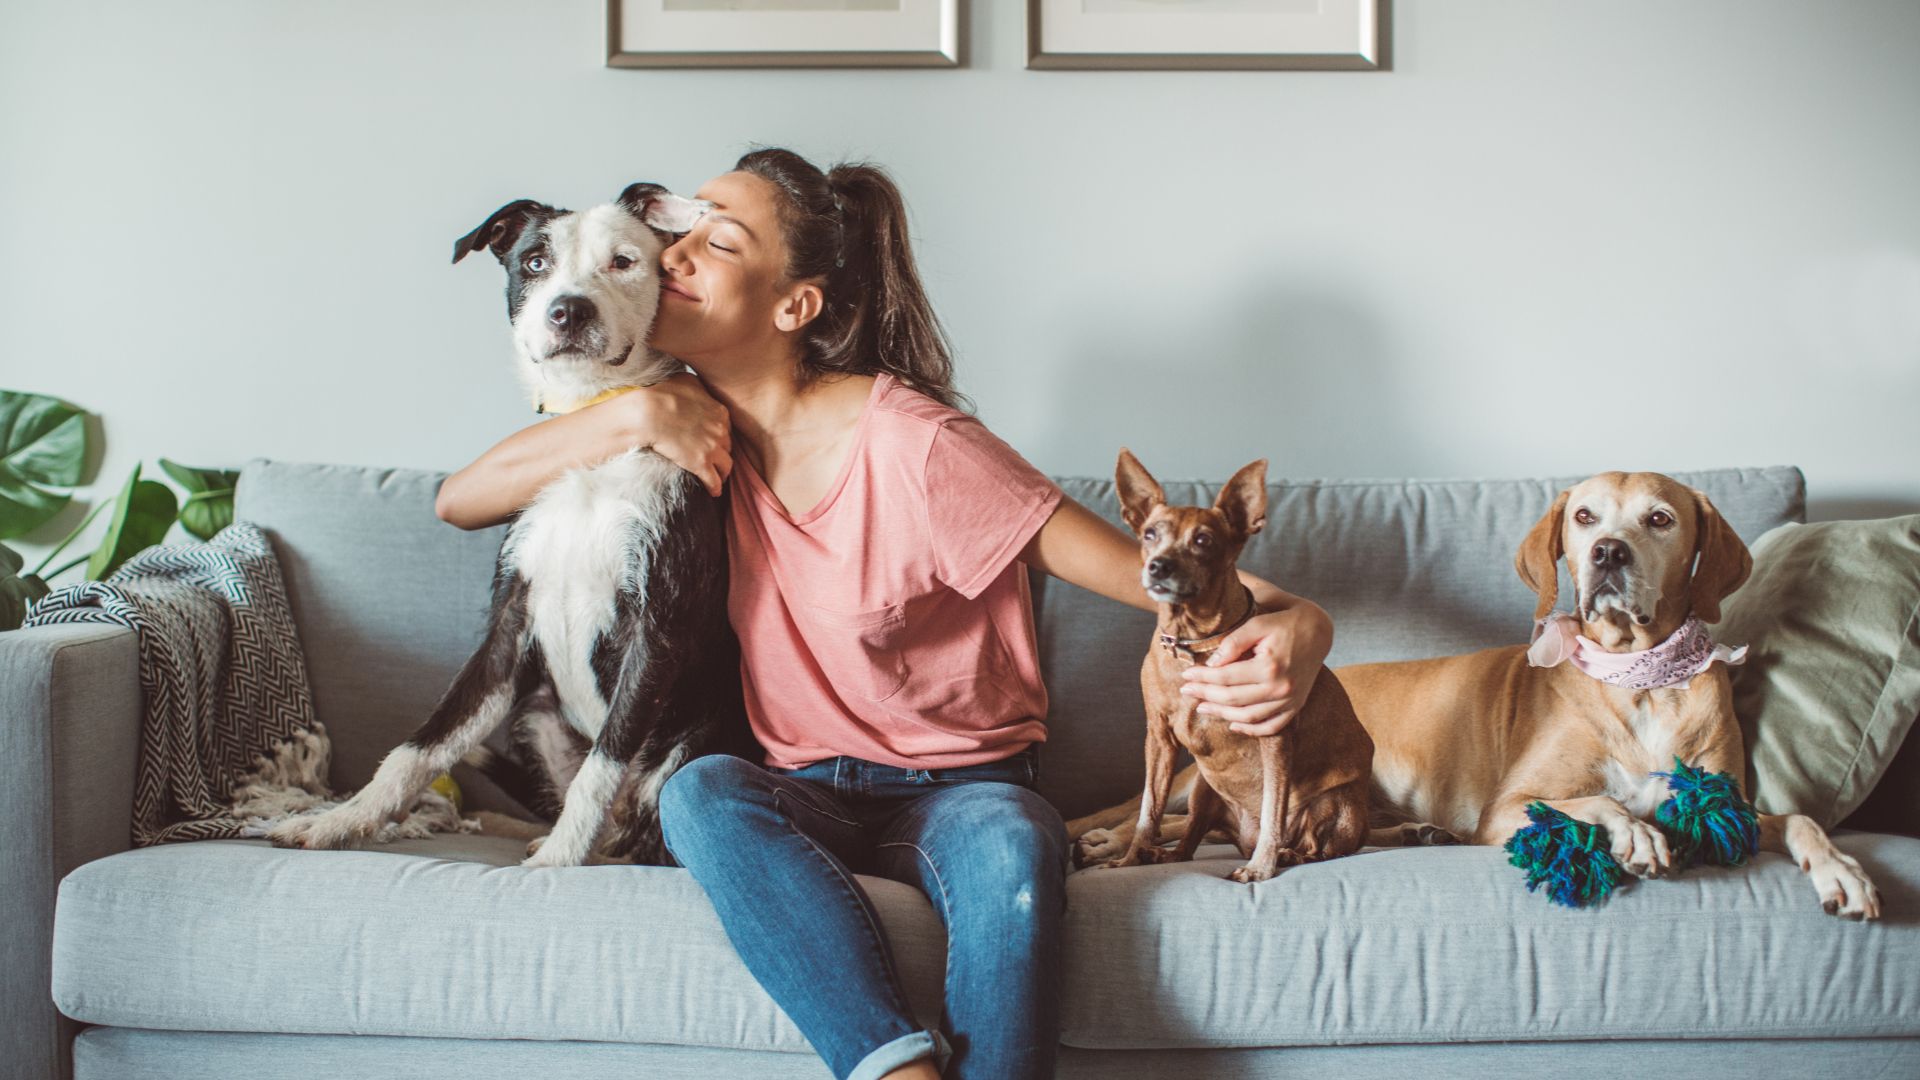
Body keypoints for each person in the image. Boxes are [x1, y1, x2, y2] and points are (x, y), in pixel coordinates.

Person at [434, 147, 1334, 1080]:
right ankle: (898, 1071)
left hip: (960, 789)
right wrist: (629, 419)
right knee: (700, 791)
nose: (677, 254)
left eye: (718, 241)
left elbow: (1149, 574)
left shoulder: (920, 445)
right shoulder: (679, 422)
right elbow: (461, 500)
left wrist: (1305, 627)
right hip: (800, 785)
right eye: (683, 231)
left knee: (1016, 847)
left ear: (795, 306)